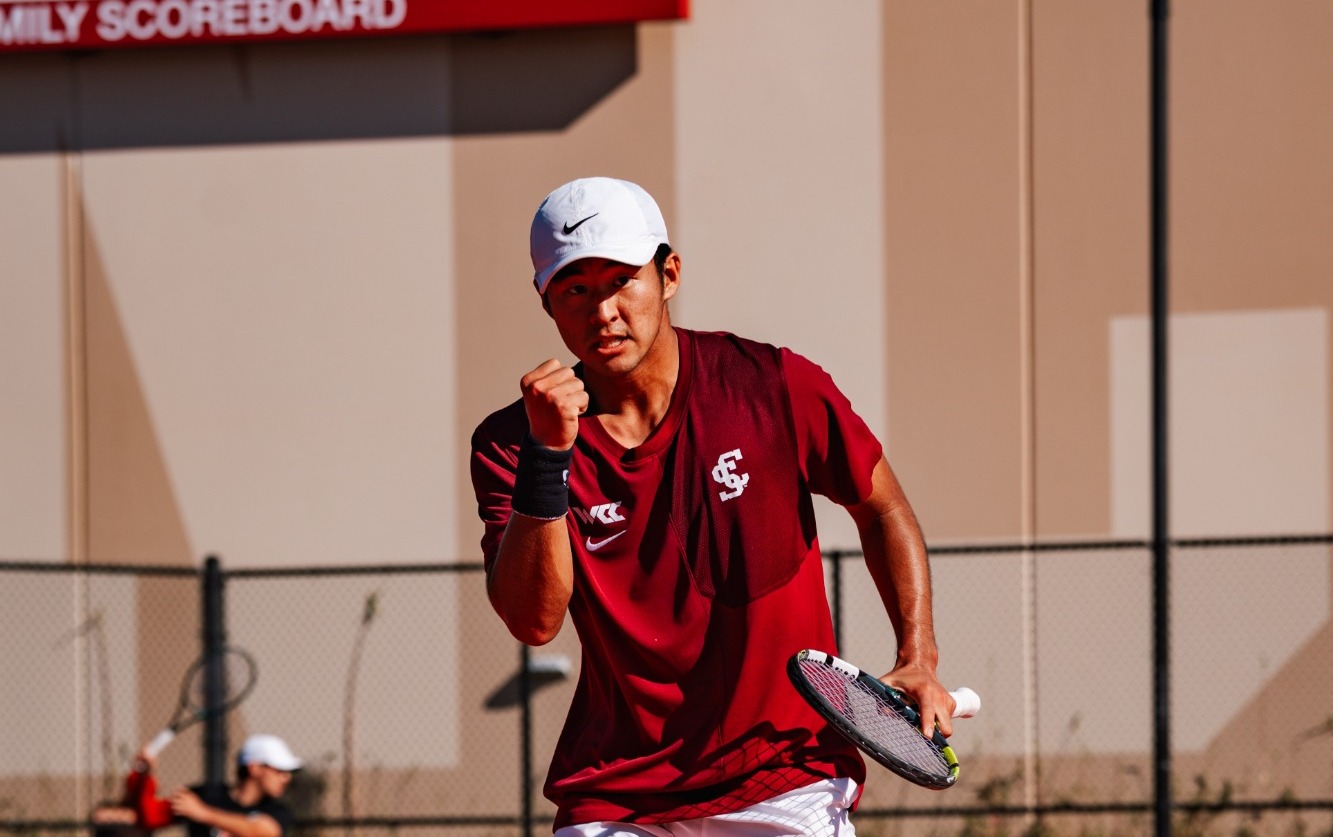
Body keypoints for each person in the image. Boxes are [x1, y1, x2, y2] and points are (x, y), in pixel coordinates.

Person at [469, 176, 954, 836]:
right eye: (575, 288)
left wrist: (917, 654)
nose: (602, 309)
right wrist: (549, 457)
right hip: (615, 795)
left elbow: (884, 509)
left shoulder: (775, 385)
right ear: (546, 299)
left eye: (619, 280)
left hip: (786, 777)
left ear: (667, 274)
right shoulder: (512, 442)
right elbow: (533, 620)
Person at [91, 734, 301, 837]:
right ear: (255, 768)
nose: (286, 778)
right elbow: (150, 816)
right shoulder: (204, 795)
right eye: (279, 770)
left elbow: (263, 831)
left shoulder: (276, 811)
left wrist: (203, 813)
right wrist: (145, 774)